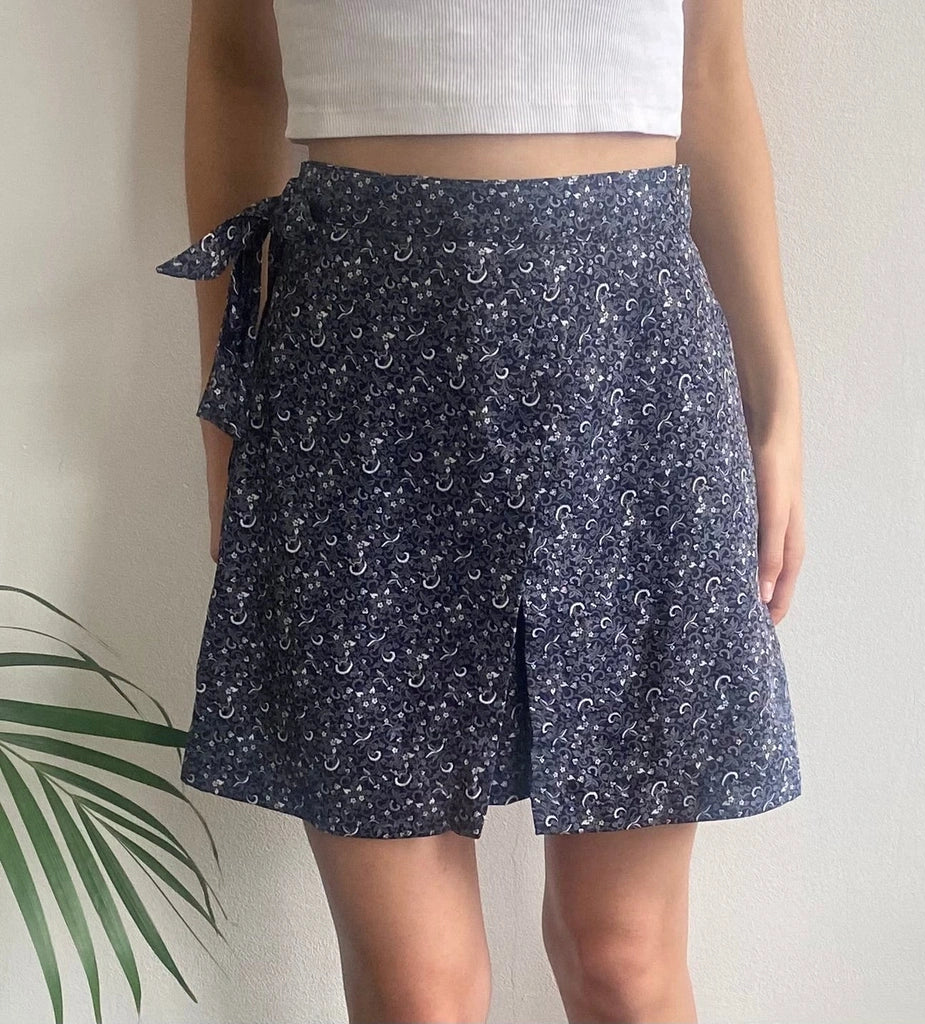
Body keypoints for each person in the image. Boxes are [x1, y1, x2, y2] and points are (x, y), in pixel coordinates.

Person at [156, 1, 805, 1021]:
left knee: (623, 958)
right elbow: (235, 71)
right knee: (419, 993)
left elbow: (710, 76)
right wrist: (223, 414)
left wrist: (777, 405)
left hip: (631, 366)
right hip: (356, 369)